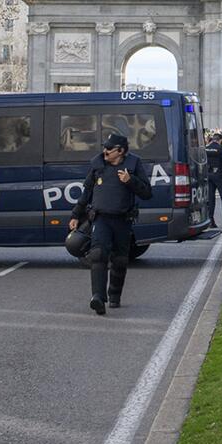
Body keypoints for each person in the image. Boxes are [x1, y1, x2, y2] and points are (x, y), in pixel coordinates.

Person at [69, 133, 154, 315]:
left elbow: (147, 193)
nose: (105, 151)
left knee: (120, 260)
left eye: (109, 149)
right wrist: (76, 214)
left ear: (121, 151)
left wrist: (131, 181)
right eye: (105, 148)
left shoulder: (133, 164)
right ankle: (97, 298)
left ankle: (114, 295)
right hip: (101, 218)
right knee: (98, 254)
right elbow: (87, 192)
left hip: (123, 220)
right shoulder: (98, 165)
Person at [204, 130, 222, 232]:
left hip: (208, 175)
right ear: (219, 140)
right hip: (219, 175)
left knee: (211, 199)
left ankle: (211, 221)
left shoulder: (206, 149)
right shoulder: (220, 149)